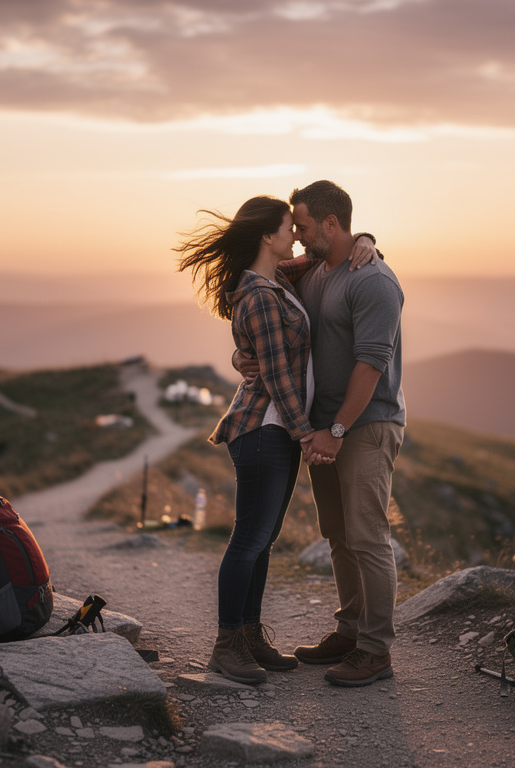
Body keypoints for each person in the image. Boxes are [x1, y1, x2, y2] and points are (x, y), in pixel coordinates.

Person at [175, 195, 378, 685]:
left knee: (262, 542)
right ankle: (228, 644)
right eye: (289, 227)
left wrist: (368, 241)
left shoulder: (276, 280)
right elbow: (278, 378)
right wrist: (305, 432)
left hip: (276, 432)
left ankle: (248, 637)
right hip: (265, 428)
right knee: (248, 540)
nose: (295, 235)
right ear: (268, 236)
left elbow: (327, 251)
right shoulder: (262, 295)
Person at [236, 180, 405, 687]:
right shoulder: (315, 270)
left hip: (365, 425)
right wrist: (242, 354)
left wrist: (334, 430)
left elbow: (373, 364)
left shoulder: (372, 280)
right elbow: (257, 281)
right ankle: (350, 630)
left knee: (368, 537)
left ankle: (376, 650)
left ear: (331, 224)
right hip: (322, 428)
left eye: (304, 225)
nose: (298, 233)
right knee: (338, 535)